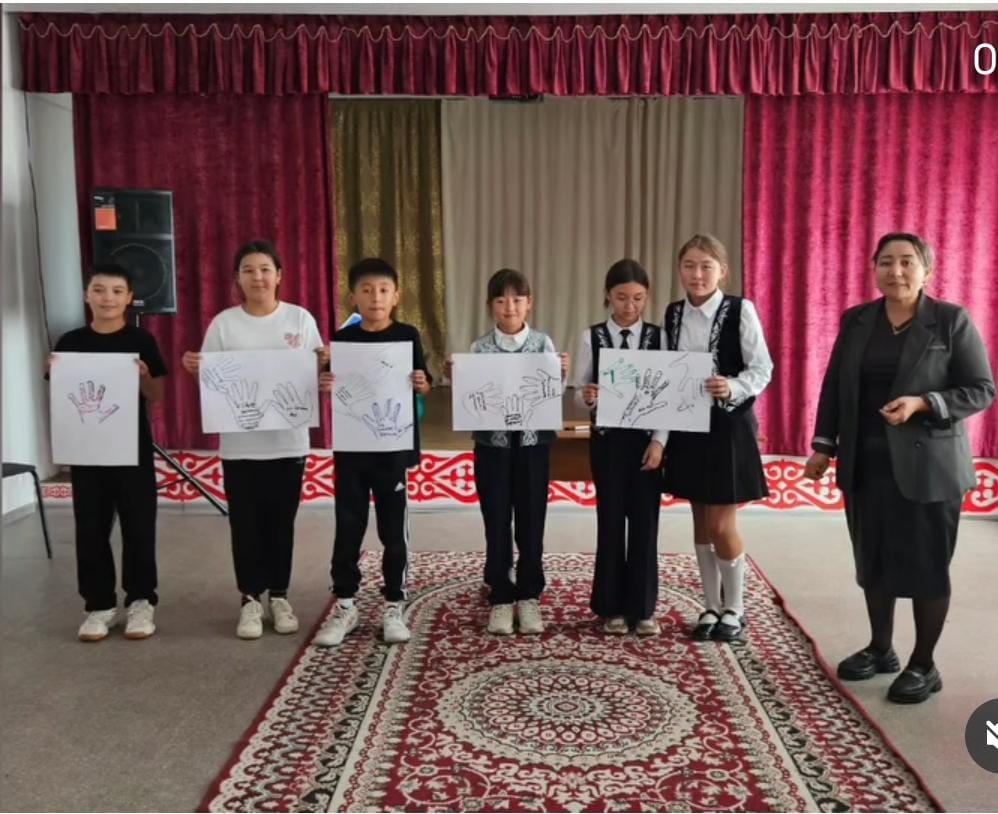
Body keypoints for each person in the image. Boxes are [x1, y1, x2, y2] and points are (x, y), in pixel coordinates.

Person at [804, 232, 994, 704]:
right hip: (865, 464)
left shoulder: (950, 320)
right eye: (886, 262)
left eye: (908, 261)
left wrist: (923, 403)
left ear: (927, 270)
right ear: (874, 269)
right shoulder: (857, 320)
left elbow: (981, 389)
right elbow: (835, 385)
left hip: (929, 467)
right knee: (874, 561)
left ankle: (924, 664)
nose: (896, 271)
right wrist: (824, 445)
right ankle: (881, 649)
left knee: (927, 568)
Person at [182, 240, 325, 640]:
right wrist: (195, 368)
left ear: (279, 276)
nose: (257, 277)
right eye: (248, 270)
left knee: (281, 522)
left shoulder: (299, 319)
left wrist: (323, 365)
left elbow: (314, 376)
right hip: (240, 446)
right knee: (244, 524)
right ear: (237, 278)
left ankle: (279, 596)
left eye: (265, 269)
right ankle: (249, 598)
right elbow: (211, 380)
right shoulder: (224, 324)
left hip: (288, 442)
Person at [661, 234, 773, 642]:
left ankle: (735, 608)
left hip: (728, 427)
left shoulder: (741, 310)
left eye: (706, 266)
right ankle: (710, 606)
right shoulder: (674, 313)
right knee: (700, 521)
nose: (697, 274)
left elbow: (762, 368)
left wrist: (732, 386)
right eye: (689, 266)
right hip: (688, 427)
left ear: (722, 271)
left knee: (721, 524)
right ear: (679, 270)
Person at [314, 258, 432, 647]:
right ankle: (345, 604)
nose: (375, 297)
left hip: (392, 450)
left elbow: (425, 383)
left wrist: (421, 382)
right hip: (352, 451)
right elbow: (331, 387)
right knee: (348, 526)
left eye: (383, 290)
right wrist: (325, 381)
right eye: (366, 290)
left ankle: (394, 604)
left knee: (393, 530)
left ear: (396, 296)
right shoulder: (343, 340)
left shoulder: (408, 335)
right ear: (353, 297)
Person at [48, 264, 168, 641]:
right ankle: (99, 605)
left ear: (129, 297)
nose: (108, 298)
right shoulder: (69, 342)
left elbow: (157, 395)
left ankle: (141, 601)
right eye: (99, 290)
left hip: (132, 450)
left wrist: (144, 376)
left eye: (117, 291)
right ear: (87, 295)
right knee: (90, 529)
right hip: (87, 452)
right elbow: (60, 397)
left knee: (139, 527)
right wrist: (54, 371)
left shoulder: (142, 339)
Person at [448, 269, 569, 636]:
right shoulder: (479, 349)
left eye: (517, 300)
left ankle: (529, 594)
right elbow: (472, 400)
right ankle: (500, 596)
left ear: (529, 303)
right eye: (501, 300)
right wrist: (460, 380)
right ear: (491, 306)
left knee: (532, 521)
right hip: (492, 448)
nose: (510, 307)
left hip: (533, 448)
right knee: (496, 520)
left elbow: (550, 396)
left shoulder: (543, 345)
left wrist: (560, 374)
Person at [573, 259, 665, 635]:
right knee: (610, 521)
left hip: (646, 444)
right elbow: (579, 391)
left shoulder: (658, 337)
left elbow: (666, 398)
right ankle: (610, 606)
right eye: (622, 297)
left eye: (638, 298)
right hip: (607, 442)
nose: (630, 306)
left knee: (645, 524)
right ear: (607, 296)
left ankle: (642, 609)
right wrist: (588, 397)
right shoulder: (591, 336)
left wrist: (660, 441)